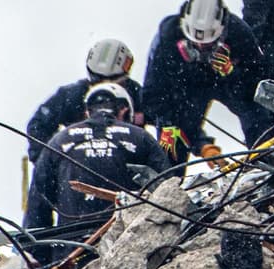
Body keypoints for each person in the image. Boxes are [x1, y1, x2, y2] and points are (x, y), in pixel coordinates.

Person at [142, 0, 273, 164]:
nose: (201, 49)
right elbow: (154, 93)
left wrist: (232, 73)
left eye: (208, 44)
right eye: (195, 44)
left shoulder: (240, 33)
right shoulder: (168, 35)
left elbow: (259, 85)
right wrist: (172, 125)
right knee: (171, 135)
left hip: (225, 82)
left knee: (256, 113)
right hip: (188, 86)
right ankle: (169, 180)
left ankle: (266, 162)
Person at [23, 82, 170, 233]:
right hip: (126, 242)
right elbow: (168, 193)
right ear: (125, 111)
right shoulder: (141, 138)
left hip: (72, 247)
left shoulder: (58, 142)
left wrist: (44, 252)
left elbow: (37, 208)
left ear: (87, 112)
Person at [26, 39, 141, 165]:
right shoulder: (71, 96)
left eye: (112, 80)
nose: (105, 87)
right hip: (79, 169)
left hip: (127, 169)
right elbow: (37, 126)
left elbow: (162, 118)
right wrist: (50, 165)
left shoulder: (138, 95)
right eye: (99, 80)